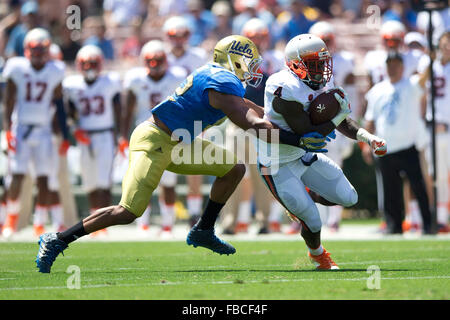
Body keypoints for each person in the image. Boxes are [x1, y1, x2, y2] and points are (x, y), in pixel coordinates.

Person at [35, 34, 328, 273]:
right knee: (128, 211)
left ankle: (203, 229)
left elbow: (256, 112)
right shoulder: (221, 81)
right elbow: (253, 124)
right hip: (153, 140)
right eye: (248, 61)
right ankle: (58, 239)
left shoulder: (222, 80)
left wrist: (293, 119)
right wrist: (298, 138)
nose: (252, 69)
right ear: (232, 59)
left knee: (234, 168)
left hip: (180, 143)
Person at [256, 34, 387, 269]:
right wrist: (336, 115)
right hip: (275, 161)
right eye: (314, 64)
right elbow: (307, 133)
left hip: (302, 156)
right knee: (313, 221)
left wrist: (368, 137)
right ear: (295, 64)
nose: (321, 69)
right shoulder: (282, 85)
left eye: (323, 62)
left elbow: (342, 120)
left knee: (349, 197)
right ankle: (318, 255)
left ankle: (303, 196)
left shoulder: (321, 81)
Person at [1, 28, 69, 238]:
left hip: (44, 130)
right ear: (27, 49)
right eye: (34, 49)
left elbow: (58, 104)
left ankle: (39, 222)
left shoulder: (55, 69)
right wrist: (6, 130)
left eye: (42, 49)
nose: (38, 53)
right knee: (17, 175)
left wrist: (64, 134)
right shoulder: (16, 67)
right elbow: (9, 101)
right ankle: (10, 220)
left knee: (44, 178)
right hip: (20, 127)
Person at [221, 17, 285, 235]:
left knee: (264, 173)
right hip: (237, 122)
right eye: (253, 37)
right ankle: (230, 222)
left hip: (265, 123)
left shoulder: (276, 60)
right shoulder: (232, 61)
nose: (257, 41)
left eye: (261, 36)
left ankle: (267, 221)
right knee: (233, 170)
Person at [362, 51, 433, 235]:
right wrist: (367, 143)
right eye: (389, 65)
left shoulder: (410, 84)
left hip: (409, 145)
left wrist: (431, 59)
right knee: (390, 190)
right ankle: (394, 225)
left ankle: (428, 224)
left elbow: (424, 78)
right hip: (386, 147)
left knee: (418, 187)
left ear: (402, 67)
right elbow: (370, 119)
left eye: (396, 65)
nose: (392, 68)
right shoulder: (377, 90)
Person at [121, 40, 186, 234]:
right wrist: (122, 137)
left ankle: (167, 225)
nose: (155, 65)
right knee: (142, 180)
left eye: (159, 60)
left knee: (168, 182)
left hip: (169, 136)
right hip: (144, 136)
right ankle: (144, 224)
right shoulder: (135, 79)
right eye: (151, 60)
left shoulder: (177, 76)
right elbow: (128, 110)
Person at [63, 45, 122, 237]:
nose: (89, 68)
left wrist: (119, 135)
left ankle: (103, 223)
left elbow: (118, 110)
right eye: (85, 64)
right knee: (90, 182)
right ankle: (92, 222)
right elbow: (69, 112)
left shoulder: (109, 81)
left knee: (104, 182)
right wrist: (74, 129)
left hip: (105, 134)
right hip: (85, 136)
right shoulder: (72, 85)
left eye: (92, 63)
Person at [162, 15, 208, 225]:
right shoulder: (160, 56)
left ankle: (194, 214)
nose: (179, 39)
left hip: (193, 116)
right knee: (165, 170)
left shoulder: (198, 56)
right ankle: (167, 220)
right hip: (169, 117)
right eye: (174, 35)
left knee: (195, 168)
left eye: (184, 35)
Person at [416, 31, 450, 233]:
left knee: (444, 175)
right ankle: (435, 217)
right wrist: (429, 64)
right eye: (444, 44)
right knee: (434, 175)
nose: (447, 48)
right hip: (432, 126)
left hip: (448, 126)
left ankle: (441, 217)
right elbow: (419, 87)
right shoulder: (429, 66)